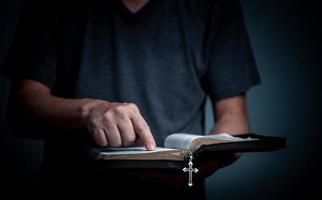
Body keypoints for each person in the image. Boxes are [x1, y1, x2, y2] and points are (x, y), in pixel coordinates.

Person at [1, 0, 260, 198]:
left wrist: (199, 166)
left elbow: (233, 115)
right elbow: (21, 110)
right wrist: (88, 111)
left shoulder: (215, 5)